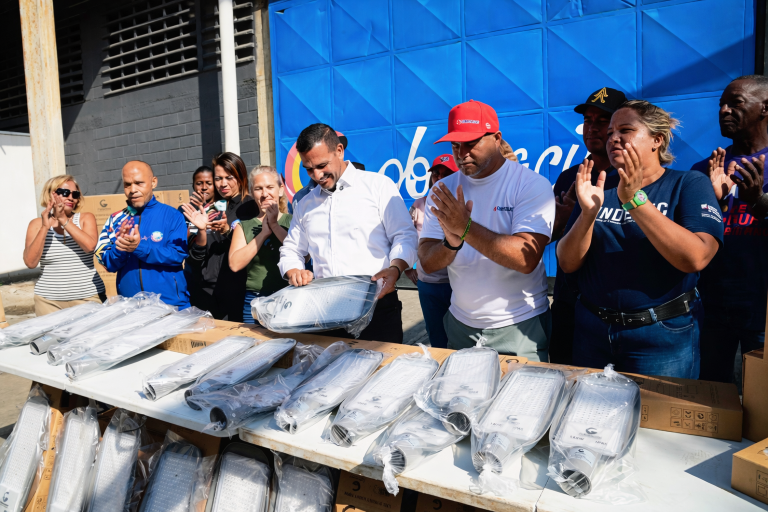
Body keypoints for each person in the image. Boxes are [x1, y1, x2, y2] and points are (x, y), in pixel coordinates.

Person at [557, 100, 723, 378]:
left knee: (657, 420)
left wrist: (634, 200)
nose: (613, 138)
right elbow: (567, 263)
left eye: (625, 130)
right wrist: (587, 214)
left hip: (661, 336)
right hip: (593, 331)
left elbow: (697, 257)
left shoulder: (688, 184)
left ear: (657, 140)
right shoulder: (599, 186)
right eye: (610, 133)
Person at [418, 100, 555, 360]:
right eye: (455, 144)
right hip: (461, 324)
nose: (461, 152)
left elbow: (526, 258)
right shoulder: (442, 189)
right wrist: (450, 243)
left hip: (519, 323)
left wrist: (465, 228)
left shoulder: (531, 184)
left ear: (497, 138)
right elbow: (426, 261)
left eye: (471, 142)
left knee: (520, 400)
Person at [278, 123, 417, 343]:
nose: (317, 175)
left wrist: (396, 267)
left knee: (380, 375)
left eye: (322, 165)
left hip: (377, 306)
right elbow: (291, 249)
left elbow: (404, 235)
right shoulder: (305, 205)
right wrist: (293, 269)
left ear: (339, 151)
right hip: (324, 313)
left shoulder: (378, 187)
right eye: (308, 168)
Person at [692, 75, 768, 383]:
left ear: (765, 108)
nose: (724, 110)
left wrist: (757, 202)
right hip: (713, 308)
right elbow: (692, 237)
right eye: (721, 104)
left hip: (763, 310)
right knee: (712, 398)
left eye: (735, 103)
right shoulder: (705, 169)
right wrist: (718, 205)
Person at [549, 87, 627, 365]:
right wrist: (562, 220)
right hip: (570, 303)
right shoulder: (570, 177)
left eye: (602, 120)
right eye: (588, 120)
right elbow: (549, 236)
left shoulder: (635, 179)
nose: (592, 127)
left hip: (617, 309)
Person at [96, 161, 190, 308]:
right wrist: (120, 249)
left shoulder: (173, 216)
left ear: (153, 182)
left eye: (139, 183)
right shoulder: (115, 219)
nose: (133, 190)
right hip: (130, 307)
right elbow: (107, 264)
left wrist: (139, 247)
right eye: (127, 184)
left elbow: (177, 255)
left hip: (170, 304)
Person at [182, 152, 255, 320]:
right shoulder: (211, 209)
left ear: (241, 176)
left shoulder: (250, 207)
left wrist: (227, 231)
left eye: (229, 178)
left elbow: (252, 247)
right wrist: (195, 232)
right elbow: (196, 254)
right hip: (204, 293)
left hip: (234, 293)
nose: (223, 184)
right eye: (218, 178)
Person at [23, 175, 105, 316]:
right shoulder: (36, 224)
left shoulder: (86, 218)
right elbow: (30, 262)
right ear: (50, 195)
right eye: (65, 193)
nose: (71, 198)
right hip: (48, 302)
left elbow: (90, 246)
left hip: (87, 297)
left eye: (75, 194)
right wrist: (44, 227)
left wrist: (63, 219)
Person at [228, 166, 292, 323]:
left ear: (281, 189)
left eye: (270, 187)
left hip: (290, 297)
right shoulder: (244, 226)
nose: (265, 194)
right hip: (256, 301)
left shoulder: (293, 221)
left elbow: (303, 256)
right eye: (258, 189)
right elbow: (235, 264)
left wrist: (275, 226)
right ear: (252, 192)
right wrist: (263, 234)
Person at [407, 154, 458, 348]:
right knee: (437, 338)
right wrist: (407, 268)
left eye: (447, 174)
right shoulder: (419, 204)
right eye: (436, 174)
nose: (440, 178)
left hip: (458, 284)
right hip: (429, 285)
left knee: (461, 339)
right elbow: (407, 237)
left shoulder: (464, 204)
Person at [182, 166, 216, 309]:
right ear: (193, 186)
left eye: (208, 183)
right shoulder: (185, 211)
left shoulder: (221, 209)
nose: (203, 187)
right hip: (192, 273)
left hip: (215, 275)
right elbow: (182, 241)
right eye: (199, 183)